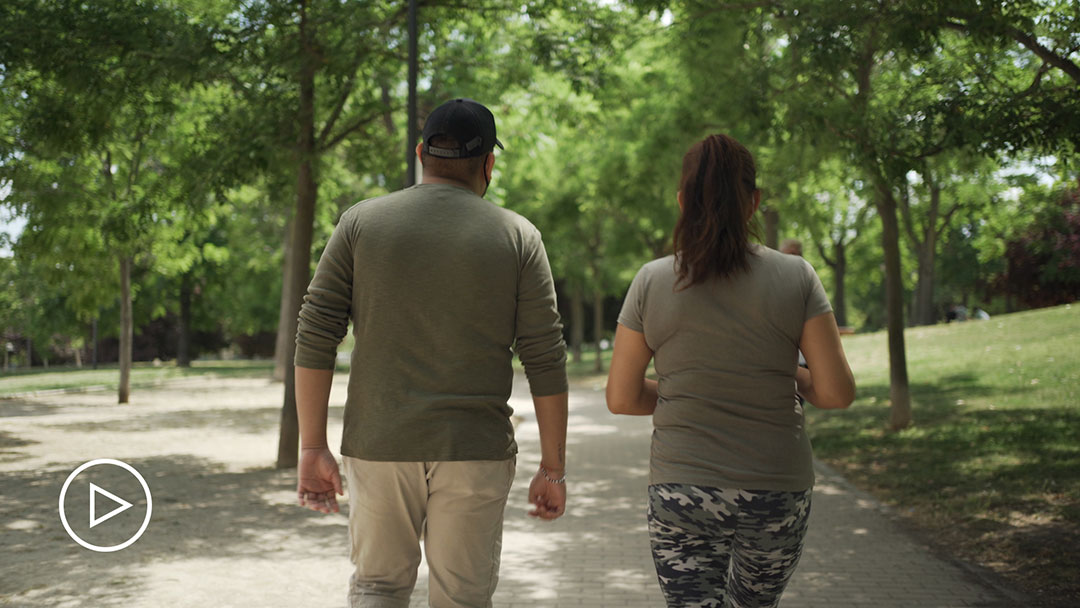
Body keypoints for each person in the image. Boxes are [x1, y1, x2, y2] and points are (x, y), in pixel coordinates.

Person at [292, 98, 569, 608]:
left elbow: (316, 331)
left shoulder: (360, 223)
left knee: (378, 588)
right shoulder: (517, 236)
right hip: (474, 447)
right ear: (488, 164)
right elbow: (545, 357)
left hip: (378, 442)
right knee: (462, 597)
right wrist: (552, 468)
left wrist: (312, 447)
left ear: (422, 153)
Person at [606, 134, 855, 608]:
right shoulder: (796, 276)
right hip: (776, 492)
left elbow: (621, 398)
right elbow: (837, 392)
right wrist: (788, 377)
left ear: (682, 202)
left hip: (683, 490)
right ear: (754, 202)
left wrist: (689, 388)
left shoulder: (651, 281)